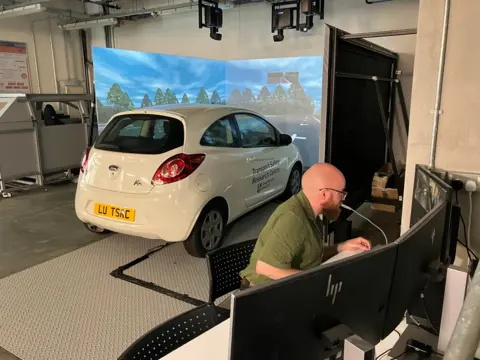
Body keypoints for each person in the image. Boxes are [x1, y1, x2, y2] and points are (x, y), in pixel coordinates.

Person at [240, 163, 371, 287]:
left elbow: (310, 255)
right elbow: (265, 268)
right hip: (260, 293)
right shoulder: (293, 218)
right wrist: (318, 279)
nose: (342, 200)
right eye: (341, 194)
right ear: (324, 194)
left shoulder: (311, 213)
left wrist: (341, 247)